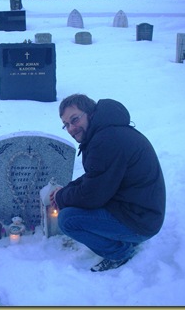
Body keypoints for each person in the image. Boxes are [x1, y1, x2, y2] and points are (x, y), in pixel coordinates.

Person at [50, 94, 166, 272]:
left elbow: (92, 196)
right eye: (66, 125)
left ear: (89, 113)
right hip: (136, 209)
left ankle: (120, 252)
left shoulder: (107, 140)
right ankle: (122, 238)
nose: (71, 128)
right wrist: (66, 191)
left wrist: (61, 197)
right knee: (72, 206)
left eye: (74, 120)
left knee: (68, 220)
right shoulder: (107, 132)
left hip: (139, 221)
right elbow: (96, 176)